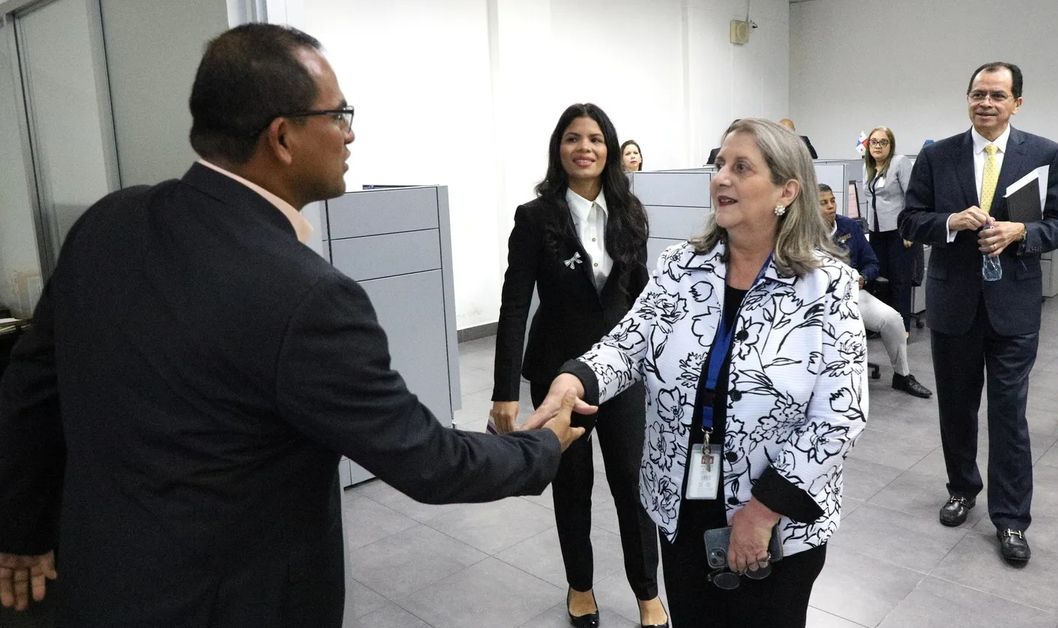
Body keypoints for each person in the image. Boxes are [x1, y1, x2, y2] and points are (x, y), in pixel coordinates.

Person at [0, 24, 583, 625]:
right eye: (338, 115)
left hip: (98, 583)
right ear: (282, 136)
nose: (351, 133)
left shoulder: (109, 222)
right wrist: (540, 446)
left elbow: (31, 387)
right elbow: (429, 460)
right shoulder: (307, 297)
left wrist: (21, 529)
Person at [528, 118, 867, 627]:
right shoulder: (682, 265)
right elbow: (629, 343)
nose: (721, 178)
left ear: (786, 191)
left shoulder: (826, 285)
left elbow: (839, 416)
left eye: (741, 167)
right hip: (682, 500)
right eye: (719, 165)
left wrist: (762, 511)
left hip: (775, 516)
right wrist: (577, 378)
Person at [490, 103, 668, 628]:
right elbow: (515, 303)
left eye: (594, 138)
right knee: (571, 482)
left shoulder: (630, 212)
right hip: (556, 370)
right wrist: (505, 391)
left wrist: (660, 363)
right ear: (559, 148)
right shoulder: (536, 216)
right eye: (572, 138)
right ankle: (580, 586)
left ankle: (647, 592)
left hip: (622, 370)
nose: (584, 147)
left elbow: (643, 298)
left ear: (608, 148)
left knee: (632, 482)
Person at [898, 62, 1058, 564]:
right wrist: (950, 222)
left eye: (998, 95)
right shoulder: (937, 156)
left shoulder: (1043, 154)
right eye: (978, 94)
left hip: (1014, 307)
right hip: (954, 303)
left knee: (1008, 415)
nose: (986, 103)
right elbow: (909, 218)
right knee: (956, 408)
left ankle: (1012, 519)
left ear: (1017, 102)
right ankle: (961, 488)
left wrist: (1022, 233)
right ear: (968, 98)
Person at [818, 184, 931, 398]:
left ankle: (902, 376)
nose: (831, 206)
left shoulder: (849, 227)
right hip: (818, 299)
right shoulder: (804, 232)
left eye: (832, 200)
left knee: (893, 319)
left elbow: (872, 263)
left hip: (852, 293)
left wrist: (864, 278)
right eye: (823, 203)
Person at [862, 126, 917, 331]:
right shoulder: (867, 166)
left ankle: (902, 329)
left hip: (898, 231)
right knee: (880, 279)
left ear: (890, 145)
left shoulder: (899, 162)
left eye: (883, 142)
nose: (877, 146)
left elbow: (912, 197)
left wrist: (909, 229)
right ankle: (883, 326)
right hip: (876, 231)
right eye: (873, 142)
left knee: (899, 281)